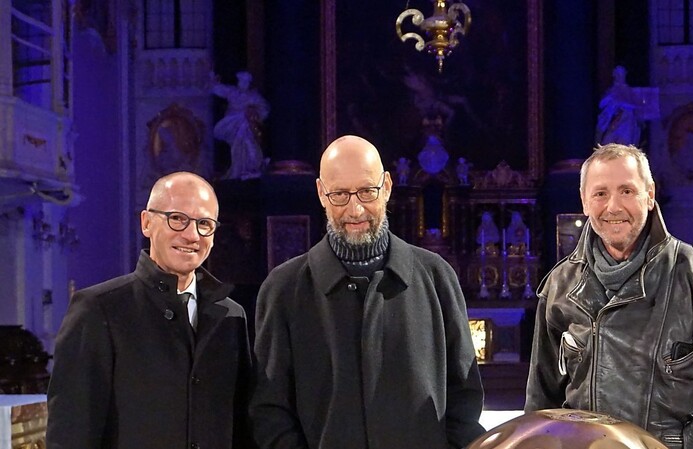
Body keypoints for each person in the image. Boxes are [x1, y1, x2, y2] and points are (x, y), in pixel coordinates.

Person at [250, 135, 485, 448]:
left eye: (366, 191)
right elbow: (270, 412)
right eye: (340, 195)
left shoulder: (436, 276)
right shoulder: (283, 290)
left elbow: (464, 401)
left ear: (386, 187)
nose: (355, 208)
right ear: (321, 193)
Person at [524, 143, 693, 449]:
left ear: (649, 195)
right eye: (600, 193)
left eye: (626, 191)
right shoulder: (561, 283)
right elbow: (541, 403)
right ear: (584, 201)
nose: (613, 207)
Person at [47, 172, 253, 449]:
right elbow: (71, 434)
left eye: (204, 223)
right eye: (177, 218)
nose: (192, 235)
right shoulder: (99, 309)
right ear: (146, 222)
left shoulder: (231, 316)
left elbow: (241, 426)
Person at [211, 71, 270, 180]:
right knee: (237, 147)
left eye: (245, 82)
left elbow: (264, 108)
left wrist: (253, 111)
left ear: (249, 83)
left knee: (249, 145)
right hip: (233, 125)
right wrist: (213, 81)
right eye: (241, 81)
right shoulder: (233, 92)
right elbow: (217, 89)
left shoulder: (253, 96)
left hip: (247, 126)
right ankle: (239, 169)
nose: (243, 84)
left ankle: (252, 168)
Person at [595, 66, 642, 146]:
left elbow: (637, 106)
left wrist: (623, 105)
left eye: (621, 74)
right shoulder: (611, 90)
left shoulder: (629, 91)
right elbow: (602, 104)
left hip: (626, 121)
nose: (620, 76)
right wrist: (613, 101)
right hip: (612, 120)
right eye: (618, 74)